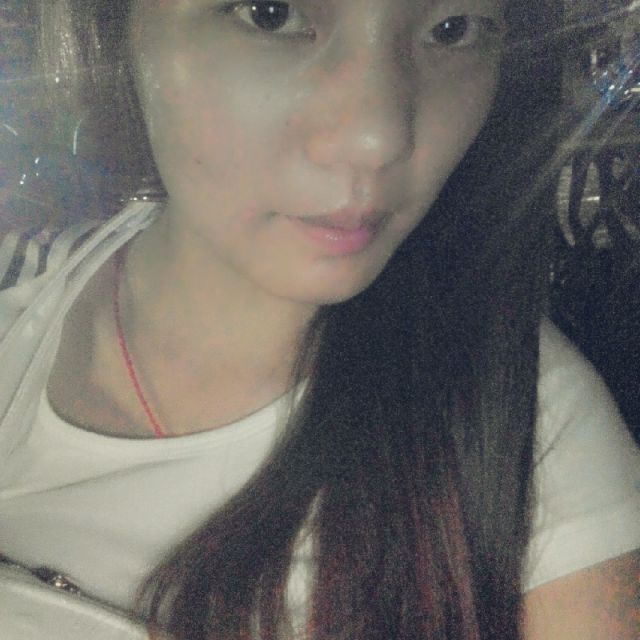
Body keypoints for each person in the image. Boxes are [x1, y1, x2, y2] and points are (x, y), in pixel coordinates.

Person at [0, 0, 638, 639]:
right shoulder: (19, 297)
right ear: (115, 28)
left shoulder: (530, 430)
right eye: (272, 14)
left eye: (453, 30)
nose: (378, 139)